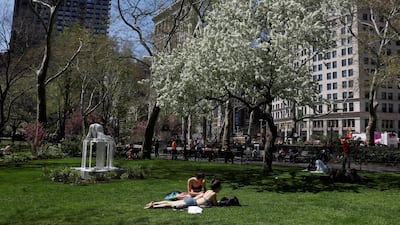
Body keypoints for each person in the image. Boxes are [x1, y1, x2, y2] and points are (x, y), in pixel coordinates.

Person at [144, 179, 221, 209]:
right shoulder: (213, 194)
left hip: (191, 200)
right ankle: (154, 206)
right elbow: (215, 204)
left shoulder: (208, 191)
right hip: (193, 203)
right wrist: (218, 203)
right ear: (217, 188)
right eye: (220, 188)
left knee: (171, 202)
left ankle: (154, 203)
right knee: (172, 205)